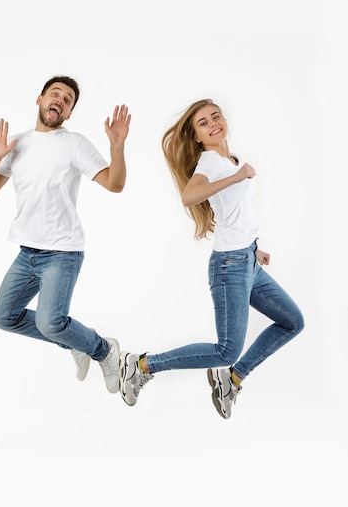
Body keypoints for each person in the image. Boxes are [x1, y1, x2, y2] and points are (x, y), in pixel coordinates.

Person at [119, 98, 304, 417]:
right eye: (203, 123)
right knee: (225, 350)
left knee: (292, 322)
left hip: (247, 260)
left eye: (215, 116)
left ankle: (232, 378)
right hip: (229, 267)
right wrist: (236, 177)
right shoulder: (210, 163)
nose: (213, 123)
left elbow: (236, 212)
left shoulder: (230, 159)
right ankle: (141, 365)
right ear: (197, 137)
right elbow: (189, 196)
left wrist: (255, 246)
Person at [0, 75, 131, 394]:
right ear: (40, 99)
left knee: (50, 322)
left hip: (62, 253)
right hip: (26, 253)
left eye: (67, 100)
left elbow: (114, 184)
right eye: (55, 94)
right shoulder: (16, 144)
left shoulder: (74, 144)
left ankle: (104, 350)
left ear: (69, 113)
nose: (59, 100)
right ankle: (75, 339)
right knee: (4, 317)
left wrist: (117, 146)